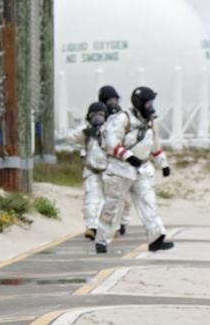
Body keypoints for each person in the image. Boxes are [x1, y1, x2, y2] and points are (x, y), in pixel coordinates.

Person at [95, 85, 174, 254]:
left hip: (143, 169)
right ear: (139, 103)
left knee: (148, 202)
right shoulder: (122, 119)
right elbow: (111, 142)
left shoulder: (151, 121)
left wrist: (163, 164)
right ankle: (102, 240)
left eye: (152, 102)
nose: (151, 106)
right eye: (148, 103)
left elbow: (155, 146)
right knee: (112, 206)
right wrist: (127, 156)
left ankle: (156, 238)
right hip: (119, 169)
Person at [67, 102, 109, 240]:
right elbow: (70, 138)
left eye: (101, 115)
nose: (97, 118)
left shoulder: (111, 131)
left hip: (109, 173)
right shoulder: (86, 131)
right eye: (94, 115)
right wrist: (85, 132)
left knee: (107, 202)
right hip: (92, 172)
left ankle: (105, 228)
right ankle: (92, 227)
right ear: (89, 117)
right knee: (90, 201)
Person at [98, 85, 131, 235]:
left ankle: (123, 222)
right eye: (109, 100)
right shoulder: (100, 116)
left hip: (122, 159)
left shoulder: (123, 116)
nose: (112, 102)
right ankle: (110, 226)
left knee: (126, 197)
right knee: (110, 196)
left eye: (114, 99)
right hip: (105, 161)